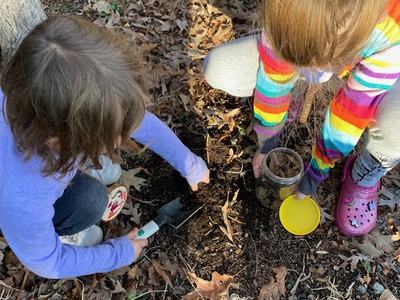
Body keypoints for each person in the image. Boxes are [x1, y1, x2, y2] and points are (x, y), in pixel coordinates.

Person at [0, 16, 209, 279]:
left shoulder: (35, 99)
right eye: (110, 138)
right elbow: (47, 263)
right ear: (66, 140)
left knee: (105, 174)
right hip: (18, 201)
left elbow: (137, 121)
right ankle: (66, 233)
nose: (121, 140)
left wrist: (189, 164)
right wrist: (118, 253)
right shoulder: (24, 196)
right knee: (91, 202)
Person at [204, 0, 400, 236]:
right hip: (317, 41)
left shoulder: (391, 27)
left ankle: (364, 175)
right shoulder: (287, 10)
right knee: (221, 67)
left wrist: (316, 170)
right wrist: (267, 141)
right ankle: (296, 85)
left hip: (377, 55)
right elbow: (273, 79)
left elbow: (351, 113)